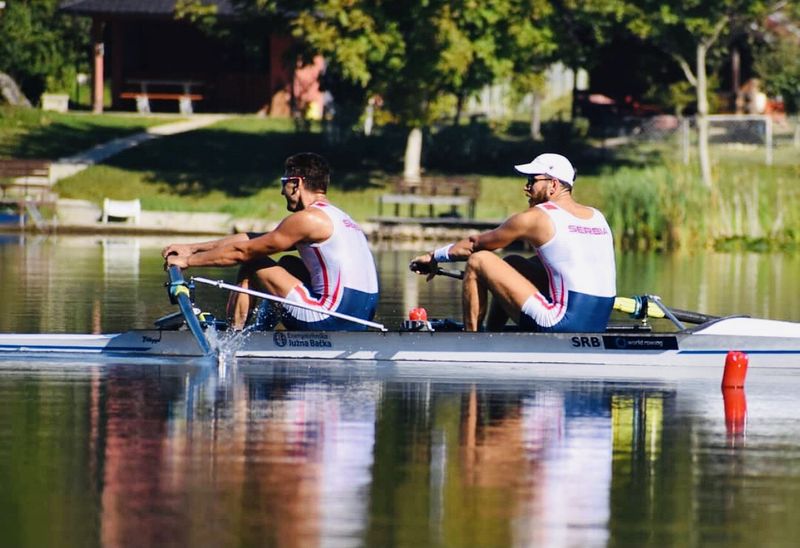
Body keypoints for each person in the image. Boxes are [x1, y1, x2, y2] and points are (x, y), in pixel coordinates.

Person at [163, 152, 379, 331]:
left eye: (283, 183)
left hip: (330, 320)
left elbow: (242, 252)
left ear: (296, 183)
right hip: (359, 320)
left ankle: (234, 338)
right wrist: (191, 248)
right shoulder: (339, 217)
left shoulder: (307, 219)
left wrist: (189, 261)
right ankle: (258, 331)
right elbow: (252, 239)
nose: (281, 191)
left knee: (252, 262)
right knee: (288, 264)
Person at [410, 153, 616, 332]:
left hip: (561, 322)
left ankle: (470, 340)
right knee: (513, 264)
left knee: (479, 260)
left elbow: (475, 244)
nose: (526, 188)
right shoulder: (597, 216)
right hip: (597, 324)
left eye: (532, 180)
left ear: (553, 184)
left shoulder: (537, 216)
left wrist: (433, 257)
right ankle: (493, 332)